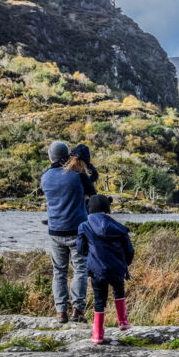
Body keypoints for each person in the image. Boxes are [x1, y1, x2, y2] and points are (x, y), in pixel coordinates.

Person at [41, 141, 89, 323]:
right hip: (77, 229)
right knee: (80, 269)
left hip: (55, 230)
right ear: (67, 156)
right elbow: (91, 191)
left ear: (50, 157)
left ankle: (61, 312)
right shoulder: (76, 176)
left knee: (59, 271)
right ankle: (78, 310)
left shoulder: (45, 177)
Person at [77, 194, 134, 345]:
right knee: (119, 291)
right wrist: (125, 264)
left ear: (90, 208)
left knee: (99, 300)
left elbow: (81, 249)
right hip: (117, 268)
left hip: (97, 270)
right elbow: (129, 250)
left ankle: (97, 335)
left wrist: (90, 255)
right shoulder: (118, 227)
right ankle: (123, 321)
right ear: (107, 208)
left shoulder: (84, 226)